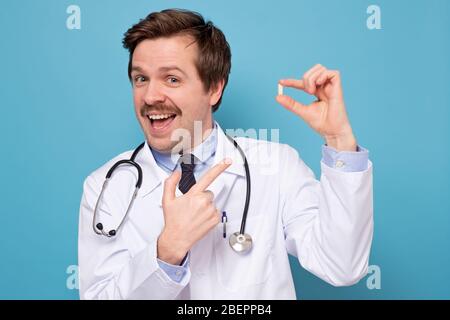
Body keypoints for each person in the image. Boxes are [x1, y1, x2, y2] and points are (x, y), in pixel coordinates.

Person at [78, 8, 373, 300]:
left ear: (214, 88)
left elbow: (341, 265)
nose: (151, 96)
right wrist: (167, 250)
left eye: (172, 79)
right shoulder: (106, 185)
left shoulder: (277, 166)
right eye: (141, 79)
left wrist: (339, 140)